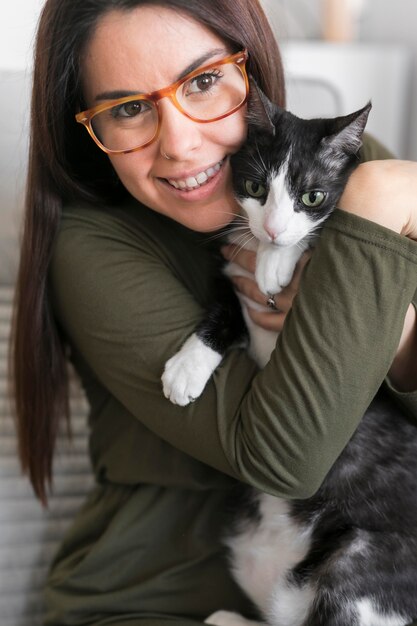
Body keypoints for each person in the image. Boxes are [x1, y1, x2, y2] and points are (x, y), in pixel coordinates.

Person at [10, 0, 417, 624]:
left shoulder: (348, 177)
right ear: (88, 130)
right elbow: (287, 459)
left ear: (250, 76)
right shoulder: (91, 245)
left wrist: (399, 328)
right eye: (129, 108)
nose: (180, 143)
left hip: (352, 577)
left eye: (202, 82)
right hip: (151, 600)